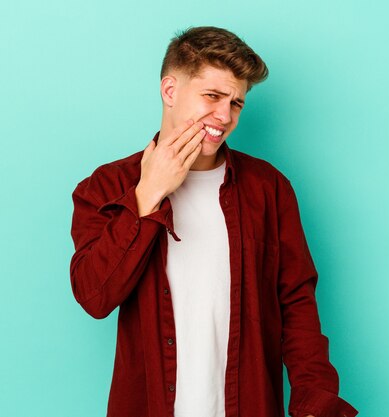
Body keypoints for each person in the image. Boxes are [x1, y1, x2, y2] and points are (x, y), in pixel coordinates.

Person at [69, 26, 358, 417]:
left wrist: (314, 403)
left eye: (236, 103)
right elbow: (94, 296)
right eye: (212, 96)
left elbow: (297, 304)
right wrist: (148, 193)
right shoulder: (106, 186)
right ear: (170, 91)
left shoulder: (268, 189)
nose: (224, 116)